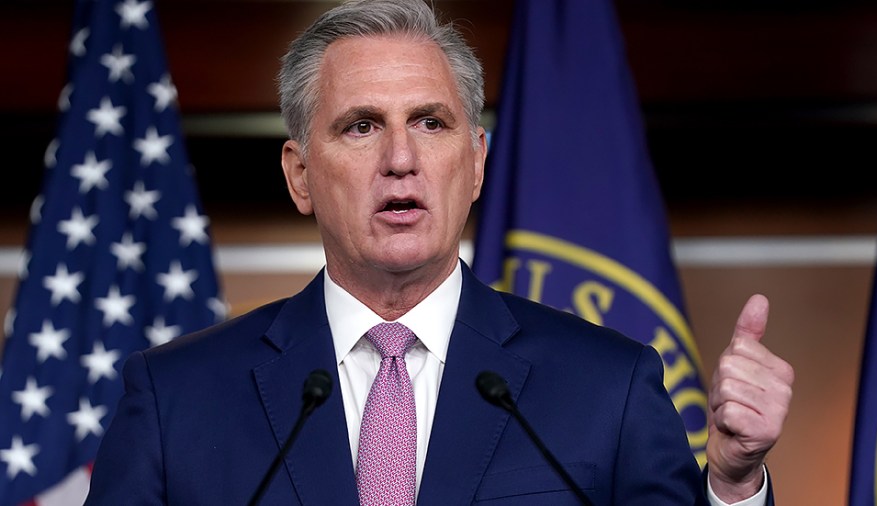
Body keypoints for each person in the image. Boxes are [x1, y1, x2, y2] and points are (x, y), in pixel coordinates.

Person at [85, 0, 794, 504]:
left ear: (477, 162)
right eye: (361, 127)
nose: (401, 158)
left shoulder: (609, 388)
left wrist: (731, 486)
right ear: (300, 175)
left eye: (430, 122)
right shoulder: (176, 399)